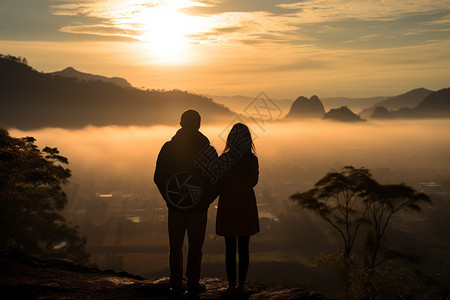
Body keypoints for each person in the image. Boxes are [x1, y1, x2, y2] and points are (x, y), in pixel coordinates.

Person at [154, 110, 218, 296]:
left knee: (175, 246)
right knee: (196, 247)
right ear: (199, 125)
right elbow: (217, 179)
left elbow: (159, 177)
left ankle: (175, 282)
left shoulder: (168, 148)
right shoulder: (207, 150)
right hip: (198, 208)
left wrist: (170, 198)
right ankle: (193, 282)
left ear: (181, 124)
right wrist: (205, 200)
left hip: (176, 206)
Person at [216, 123, 260, 297]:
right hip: (246, 205)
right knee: (244, 248)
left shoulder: (224, 159)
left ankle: (231, 285)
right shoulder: (252, 159)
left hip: (228, 205)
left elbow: (217, 182)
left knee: (229, 248)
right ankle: (241, 285)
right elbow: (254, 182)